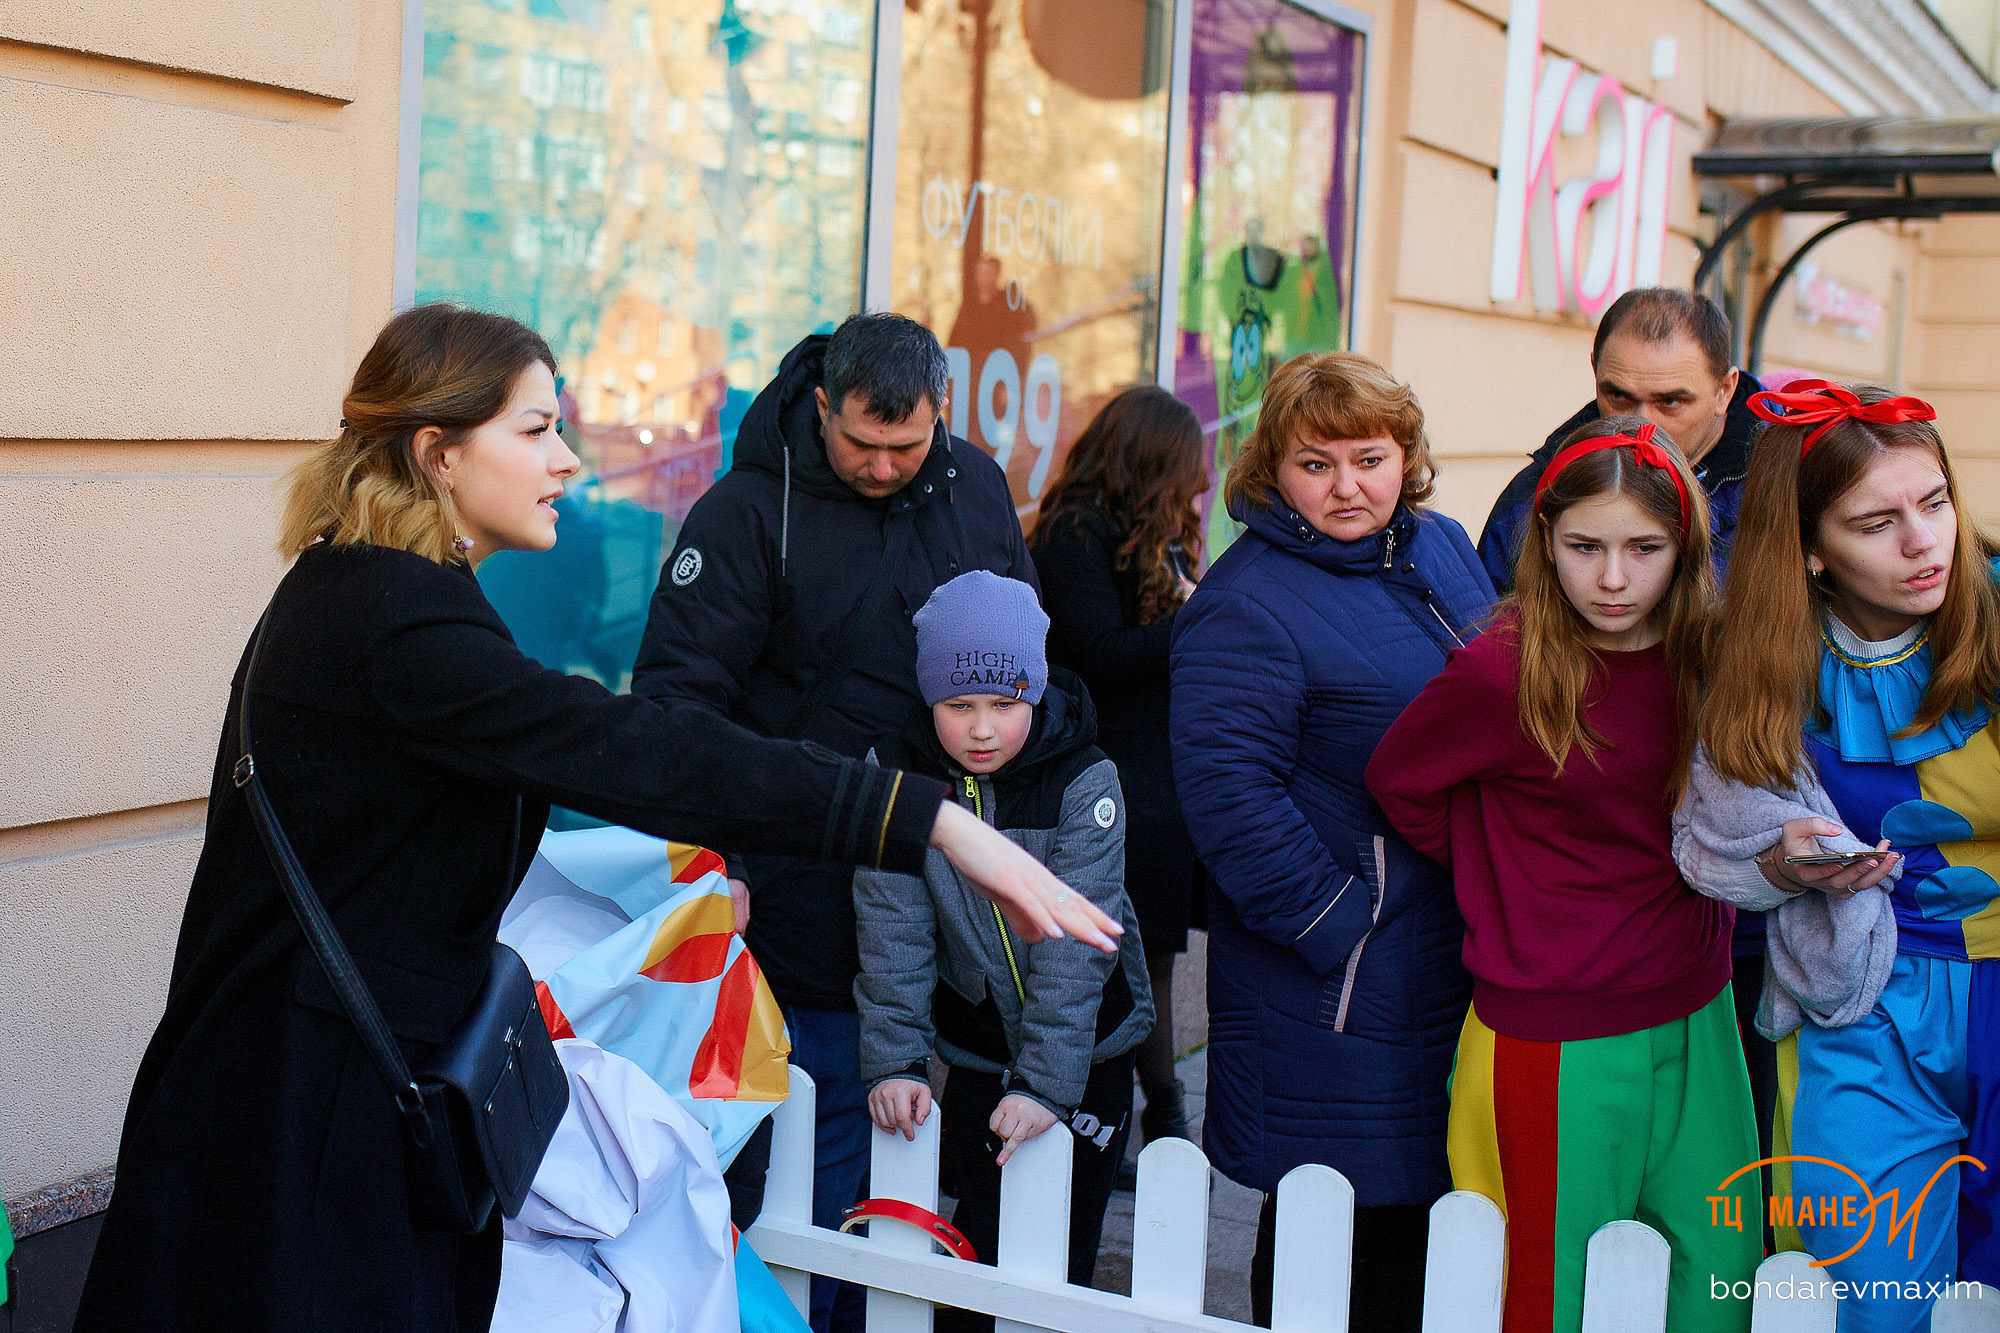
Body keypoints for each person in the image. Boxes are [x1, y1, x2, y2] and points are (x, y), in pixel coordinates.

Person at [72, 306, 1114, 1333]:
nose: (568, 461)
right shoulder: (391, 621)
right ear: (437, 452)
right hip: (296, 1134)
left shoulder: (375, 596)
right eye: (534, 430)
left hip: (305, 1109)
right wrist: (926, 818)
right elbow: (631, 745)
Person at [630, 311, 1038, 1332]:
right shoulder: (745, 513)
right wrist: (713, 862)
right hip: (790, 873)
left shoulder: (975, 486)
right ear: (820, 407)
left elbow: (1023, 656)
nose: (884, 466)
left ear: (939, 413)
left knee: (899, 1127)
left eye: (907, 446)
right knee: (795, 1135)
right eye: (862, 443)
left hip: (935, 871)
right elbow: (676, 708)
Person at [1368, 418, 1760, 1333]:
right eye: (1586, 546)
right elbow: (1401, 782)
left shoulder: (1708, 656)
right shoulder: (1503, 670)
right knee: (1541, 1296)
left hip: (1698, 1010)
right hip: (1553, 1033)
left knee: (1719, 1280)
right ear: (1547, 543)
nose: (1614, 578)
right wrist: (1508, 876)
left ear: (1688, 546)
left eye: (1644, 548)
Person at [1169, 351, 1493, 1330]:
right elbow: (1227, 793)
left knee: (1423, 1218)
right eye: (1317, 464)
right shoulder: (1246, 601)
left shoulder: (1434, 545)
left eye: (1369, 457)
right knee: (1332, 1221)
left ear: (1406, 456)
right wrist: (1340, 925)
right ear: (1272, 468)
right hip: (1335, 978)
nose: (1347, 486)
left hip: (1449, 947)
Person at [1678, 380, 2000, 1332]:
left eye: (1934, 502)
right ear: (1812, 549)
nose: (1924, 541)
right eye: (1877, 522)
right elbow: (1708, 843)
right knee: (1864, 1296)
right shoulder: (1756, 655)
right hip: (1860, 999)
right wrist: (1780, 865)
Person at [1475, 285, 1780, 1187]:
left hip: (1760, 904)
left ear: (1727, 390)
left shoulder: (1793, 485)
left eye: (1673, 401)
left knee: (1735, 1191)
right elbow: (1485, 659)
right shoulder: (1544, 486)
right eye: (1618, 396)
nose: (1641, 420)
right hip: (1588, 911)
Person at [855, 571, 1153, 1332]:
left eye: (1004, 704)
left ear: (1036, 691)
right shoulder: (893, 774)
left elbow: (1074, 948)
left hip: (1089, 1054)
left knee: (1058, 1257)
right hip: (981, 1049)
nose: (983, 728)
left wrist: (1049, 1086)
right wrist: (896, 1061)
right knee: (973, 1243)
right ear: (929, 699)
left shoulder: (1085, 779)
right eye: (959, 706)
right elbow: (892, 930)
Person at [1029, 385, 1207, 1151]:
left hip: (1152, 783)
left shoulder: (1147, 532)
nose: (1199, 485)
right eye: (1186, 469)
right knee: (1123, 962)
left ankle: (1158, 1120)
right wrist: (1197, 619)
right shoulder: (1075, 534)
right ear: (1150, 462)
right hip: (1105, 784)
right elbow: (1101, 655)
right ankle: (1158, 1120)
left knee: (1149, 958)